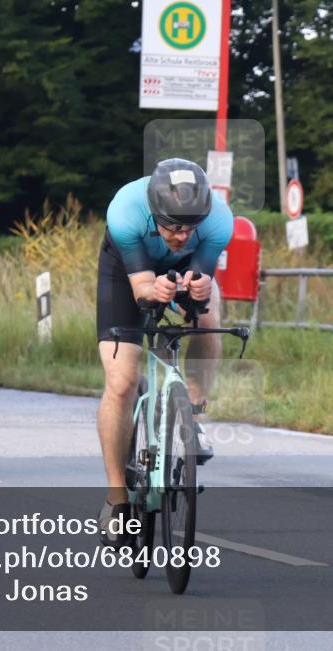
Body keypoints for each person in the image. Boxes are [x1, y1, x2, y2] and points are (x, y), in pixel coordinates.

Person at [95, 158, 233, 544]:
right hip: (127, 272)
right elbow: (141, 289)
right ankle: (117, 498)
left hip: (181, 272)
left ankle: (194, 408)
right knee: (121, 382)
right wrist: (152, 289)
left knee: (208, 317)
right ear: (155, 212)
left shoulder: (219, 220)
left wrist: (200, 289)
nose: (181, 236)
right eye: (172, 226)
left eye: (190, 227)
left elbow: (201, 276)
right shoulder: (125, 209)